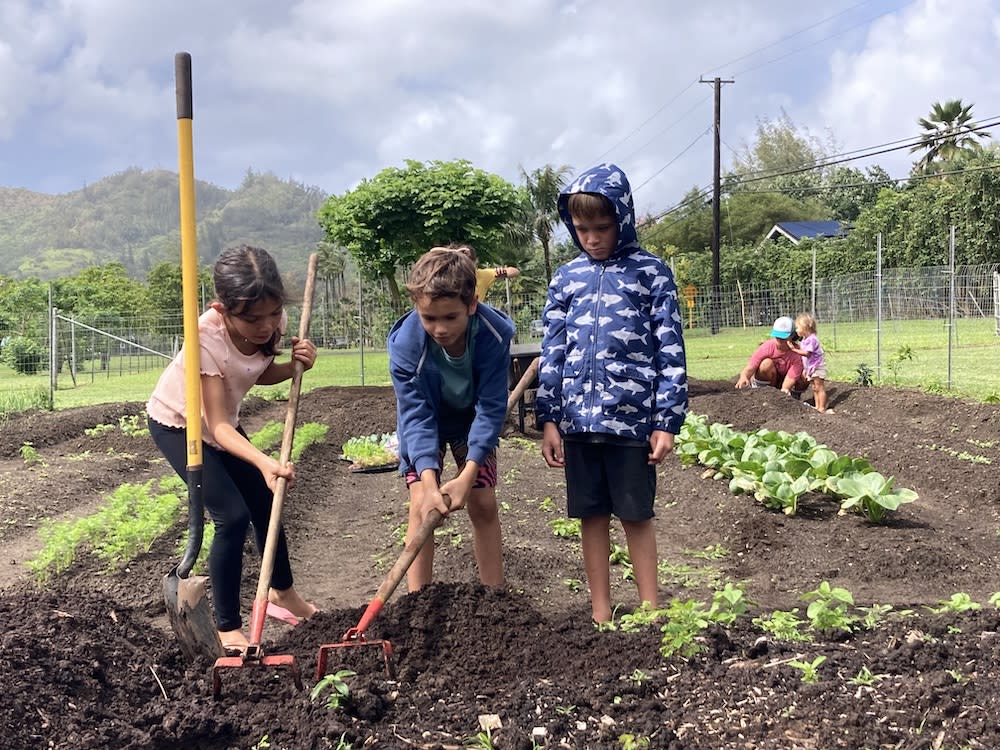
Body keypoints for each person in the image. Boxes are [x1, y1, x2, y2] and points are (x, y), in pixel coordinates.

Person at [535, 163, 688, 625]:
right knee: (591, 516)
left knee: (636, 515)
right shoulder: (566, 279)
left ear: (623, 218)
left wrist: (666, 421)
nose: (593, 238)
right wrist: (549, 418)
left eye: (603, 227)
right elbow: (553, 352)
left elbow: (671, 349)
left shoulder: (651, 273)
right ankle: (600, 612)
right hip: (578, 423)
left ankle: (650, 610)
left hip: (632, 421)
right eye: (582, 229)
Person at [147, 244, 318, 652]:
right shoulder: (204, 340)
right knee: (232, 516)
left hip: (220, 422)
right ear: (222, 310)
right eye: (252, 319)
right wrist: (264, 460)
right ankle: (227, 626)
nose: (265, 326)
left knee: (264, 499)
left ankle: (282, 593)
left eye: (273, 314)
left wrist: (296, 365)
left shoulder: (271, 317)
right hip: (181, 425)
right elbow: (218, 426)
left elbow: (253, 373)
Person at [387, 246, 515, 591]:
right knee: (421, 506)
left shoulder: (493, 334)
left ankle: (494, 596)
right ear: (416, 307)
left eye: (450, 317)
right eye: (429, 318)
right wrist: (430, 485)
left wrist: (468, 472)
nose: (439, 329)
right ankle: (418, 600)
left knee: (484, 502)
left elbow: (490, 407)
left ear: (472, 304)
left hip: (471, 420)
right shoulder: (405, 346)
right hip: (426, 420)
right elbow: (416, 416)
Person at [734, 316, 807, 394]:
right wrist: (744, 376)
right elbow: (752, 365)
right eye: (777, 336)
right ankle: (762, 392)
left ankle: (795, 395)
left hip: (786, 381)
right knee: (766, 364)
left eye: (783, 337)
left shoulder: (797, 353)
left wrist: (784, 390)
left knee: (806, 373)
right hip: (769, 380)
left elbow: (792, 376)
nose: (779, 339)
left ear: (792, 335)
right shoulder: (767, 346)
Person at [449, 242, 521, 302]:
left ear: (475, 262)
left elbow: (515, 271)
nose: (466, 267)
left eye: (469, 263)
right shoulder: (448, 275)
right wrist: (454, 252)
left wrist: (503, 272)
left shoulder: (483, 275)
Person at [790, 312, 832, 413]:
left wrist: (793, 349)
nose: (796, 330)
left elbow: (807, 354)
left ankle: (822, 407)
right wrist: (806, 369)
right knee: (814, 388)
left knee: (819, 387)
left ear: (805, 328)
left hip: (817, 367)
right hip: (811, 368)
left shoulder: (812, 339)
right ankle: (817, 406)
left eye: (798, 328)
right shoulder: (805, 340)